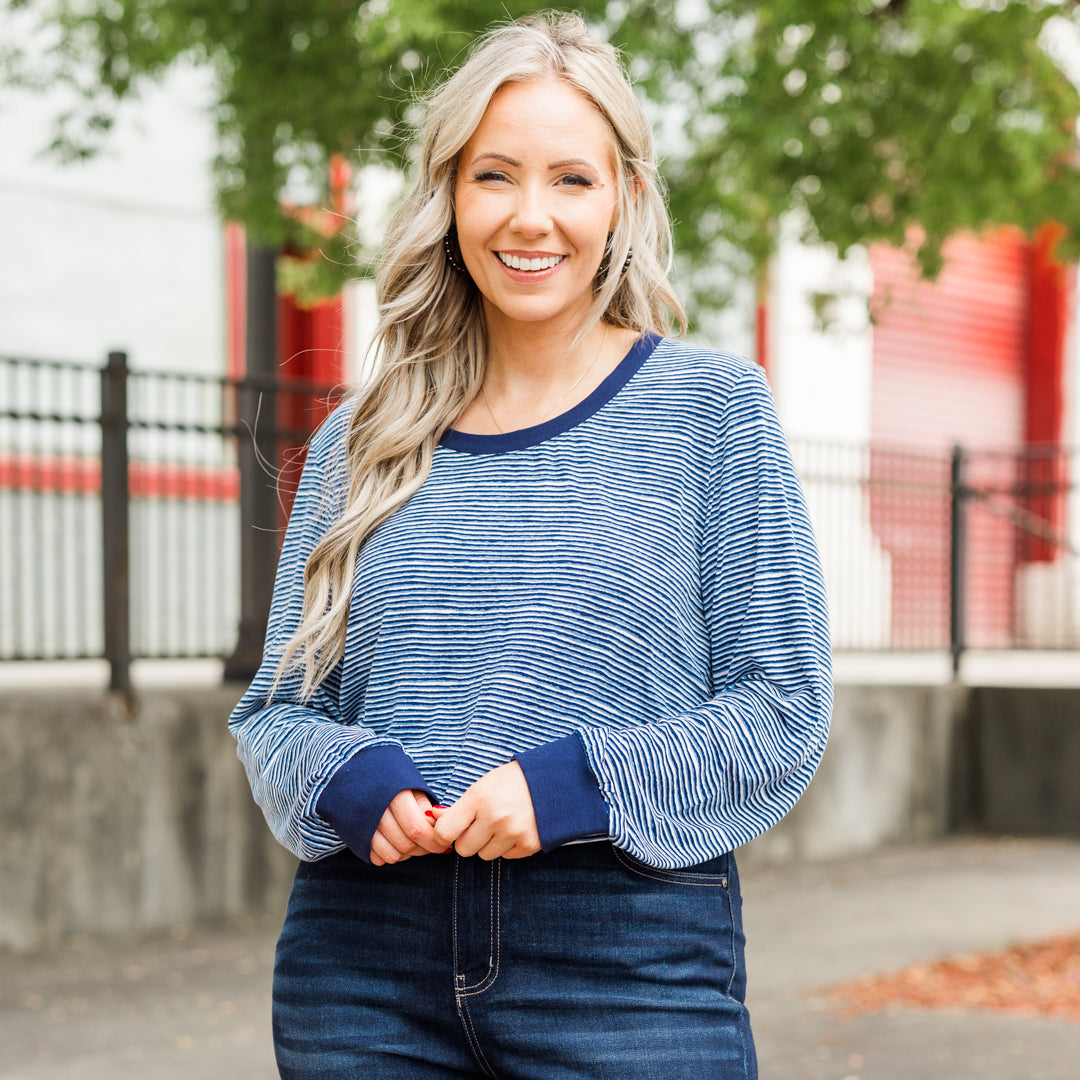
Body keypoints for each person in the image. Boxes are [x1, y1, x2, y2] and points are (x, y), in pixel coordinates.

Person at [229, 12, 831, 1080]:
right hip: (364, 969)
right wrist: (351, 778)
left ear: (626, 201)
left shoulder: (711, 412)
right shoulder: (360, 439)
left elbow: (782, 708)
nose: (531, 217)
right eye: (495, 176)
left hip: (626, 958)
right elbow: (276, 714)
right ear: (450, 197)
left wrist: (572, 786)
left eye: (572, 180)